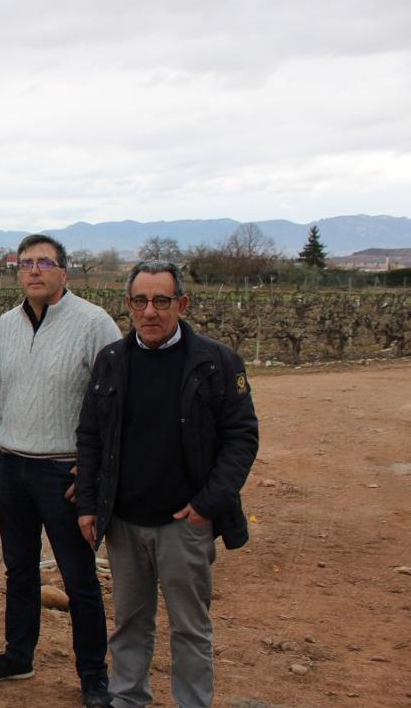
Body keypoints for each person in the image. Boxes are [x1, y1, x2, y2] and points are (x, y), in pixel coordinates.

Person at [75, 260, 258, 708]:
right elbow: (90, 436)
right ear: (128, 306)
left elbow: (242, 437)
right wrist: (88, 503)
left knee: (190, 627)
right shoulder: (112, 361)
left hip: (184, 522)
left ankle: (193, 702)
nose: (150, 311)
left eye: (161, 301)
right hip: (124, 521)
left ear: (182, 304)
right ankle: (128, 698)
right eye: (140, 301)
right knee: (129, 622)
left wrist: (207, 505)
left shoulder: (215, 362)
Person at [0, 234, 118, 708]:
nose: (34, 270)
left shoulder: (94, 324)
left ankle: (93, 674)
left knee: (79, 578)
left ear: (63, 273)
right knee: (19, 571)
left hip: (64, 472)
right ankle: (18, 655)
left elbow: (115, 407)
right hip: (13, 467)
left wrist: (93, 475)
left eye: (44, 263)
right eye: (25, 262)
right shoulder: (6, 325)